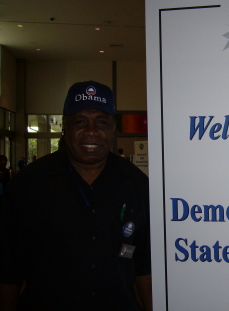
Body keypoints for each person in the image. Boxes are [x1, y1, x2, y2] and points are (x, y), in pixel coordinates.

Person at [0, 81, 152, 311]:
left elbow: (145, 265)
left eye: (101, 122)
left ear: (112, 128)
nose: (91, 131)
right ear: (65, 127)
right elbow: (8, 268)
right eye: (80, 122)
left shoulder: (137, 185)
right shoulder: (28, 185)